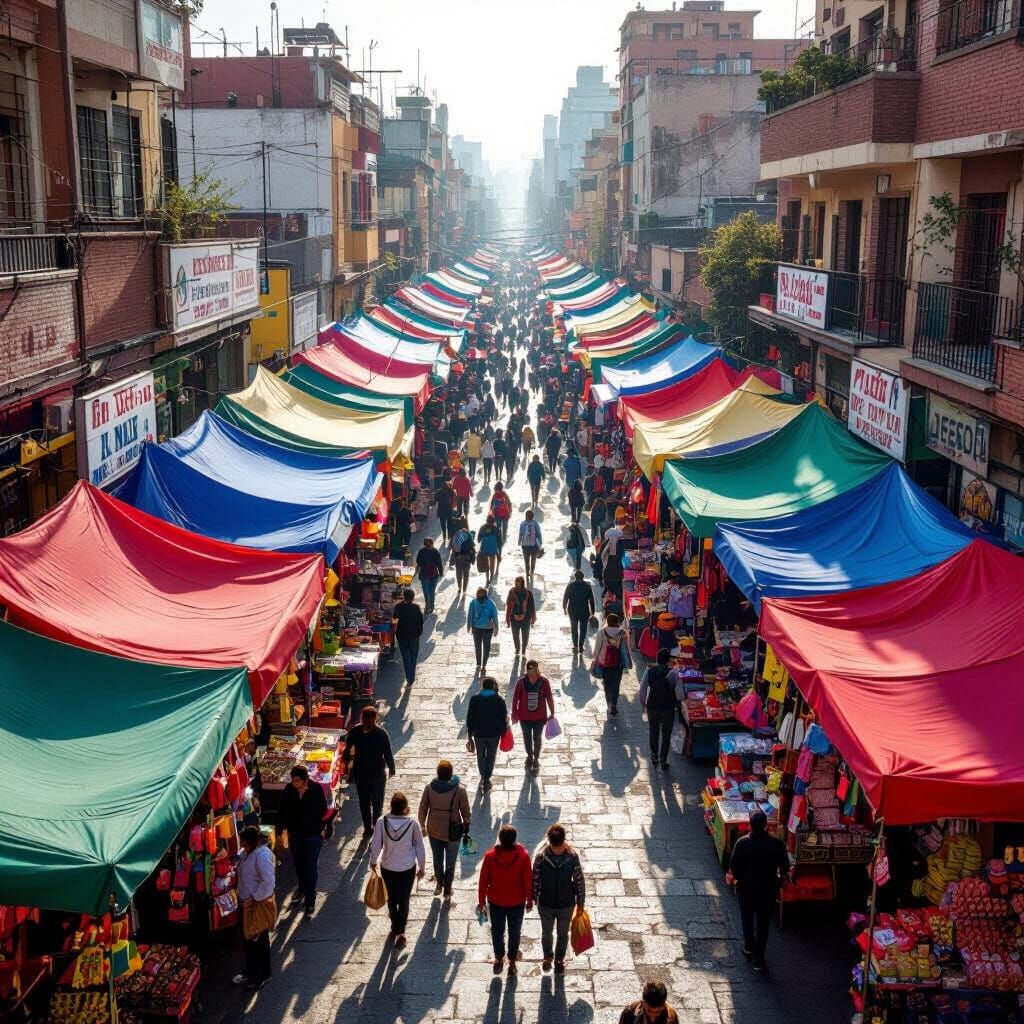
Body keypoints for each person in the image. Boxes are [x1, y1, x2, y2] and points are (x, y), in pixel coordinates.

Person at [728, 810, 790, 973]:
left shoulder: (742, 843)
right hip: (767, 890)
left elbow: (734, 866)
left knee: (746, 918)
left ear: (750, 824)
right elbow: (785, 865)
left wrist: (739, 879)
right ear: (766, 825)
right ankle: (758, 959)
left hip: (746, 889)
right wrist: (781, 881)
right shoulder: (776, 843)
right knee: (763, 924)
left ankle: (749, 946)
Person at [369, 792, 426, 947]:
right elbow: (420, 846)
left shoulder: (382, 821)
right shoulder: (413, 823)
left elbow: (376, 845)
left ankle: (395, 925)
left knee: (392, 898)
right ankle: (401, 932)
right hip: (407, 867)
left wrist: (373, 861)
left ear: (391, 807)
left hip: (388, 866)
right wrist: (422, 866)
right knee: (404, 899)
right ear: (405, 807)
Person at [477, 824, 532, 975]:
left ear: (500, 839)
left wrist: (481, 902)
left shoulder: (489, 857)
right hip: (517, 902)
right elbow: (527, 881)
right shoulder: (523, 856)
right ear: (515, 840)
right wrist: (529, 900)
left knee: (497, 931)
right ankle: (512, 960)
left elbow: (483, 881)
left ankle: (498, 958)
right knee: (514, 932)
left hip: (496, 902)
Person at [532, 823, 585, 974]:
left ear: (548, 840)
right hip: (562, 903)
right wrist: (580, 903)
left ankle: (552, 958)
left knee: (550, 933)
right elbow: (579, 880)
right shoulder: (571, 856)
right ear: (563, 840)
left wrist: (534, 897)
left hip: (552, 903)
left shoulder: (541, 857)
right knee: (559, 933)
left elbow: (535, 879)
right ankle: (555, 959)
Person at [275, 765, 328, 914]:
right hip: (295, 835)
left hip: (313, 836)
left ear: (305, 780)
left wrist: (318, 825)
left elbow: (323, 809)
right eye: (292, 780)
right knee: (298, 865)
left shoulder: (316, 789)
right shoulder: (289, 790)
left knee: (311, 867)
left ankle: (310, 901)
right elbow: (282, 811)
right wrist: (280, 830)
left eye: (297, 780)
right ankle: (302, 887)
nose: (294, 783)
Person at [418, 760, 471, 900]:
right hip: (453, 830)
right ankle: (447, 890)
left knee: (437, 857)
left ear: (438, 773)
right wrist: (466, 822)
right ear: (450, 774)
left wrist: (422, 825)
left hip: (434, 828)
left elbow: (423, 807)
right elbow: (466, 811)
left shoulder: (429, 788)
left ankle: (439, 884)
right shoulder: (459, 790)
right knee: (451, 861)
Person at [342, 706, 396, 837]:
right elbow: (347, 750)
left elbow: (387, 753)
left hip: (371, 773)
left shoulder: (361, 732)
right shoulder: (375, 733)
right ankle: (371, 827)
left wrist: (391, 768)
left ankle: (372, 827)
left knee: (370, 802)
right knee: (369, 802)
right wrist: (391, 769)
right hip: (368, 773)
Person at [234, 825, 275, 990]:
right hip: (247, 905)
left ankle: (264, 974)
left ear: (250, 842)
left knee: (260, 941)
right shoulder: (246, 854)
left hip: (257, 906)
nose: (241, 844)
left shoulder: (262, 856)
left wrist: (254, 898)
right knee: (248, 940)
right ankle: (250, 971)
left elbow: (269, 882)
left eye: (243, 841)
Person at [510, 659, 555, 771]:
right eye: (529, 668)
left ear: (537, 668)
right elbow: (515, 699)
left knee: (537, 737)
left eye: (533, 668)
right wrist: (514, 714)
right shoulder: (521, 682)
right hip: (524, 717)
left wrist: (552, 712)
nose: (531, 670)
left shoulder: (544, 682)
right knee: (527, 737)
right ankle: (529, 755)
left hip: (539, 717)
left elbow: (549, 697)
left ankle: (536, 758)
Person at [466, 675, 509, 789]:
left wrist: (470, 735)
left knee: (480, 755)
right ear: (493, 686)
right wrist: (503, 731)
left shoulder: (475, 699)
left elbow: (470, 718)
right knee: (491, 755)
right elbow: (504, 717)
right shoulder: (499, 699)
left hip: (479, 734)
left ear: (483, 687)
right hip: (494, 734)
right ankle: (487, 778)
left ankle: (483, 774)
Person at [639, 649, 679, 770]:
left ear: (657, 659)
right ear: (668, 661)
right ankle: (663, 760)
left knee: (654, 731)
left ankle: (654, 755)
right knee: (666, 735)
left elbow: (643, 688)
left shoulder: (649, 670)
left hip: (653, 705)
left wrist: (643, 703)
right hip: (668, 708)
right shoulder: (674, 673)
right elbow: (680, 693)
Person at [592, 613, 631, 717]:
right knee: (616, 683)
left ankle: (609, 702)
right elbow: (626, 649)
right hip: (618, 664)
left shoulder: (601, 633)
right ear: (617, 622)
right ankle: (614, 703)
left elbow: (596, 649)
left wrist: (595, 659)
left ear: (607, 622)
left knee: (607, 684)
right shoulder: (623, 633)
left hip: (605, 663)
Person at [392, 588, 425, 685]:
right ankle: (411, 676)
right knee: (413, 657)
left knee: (406, 657)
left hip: (402, 635)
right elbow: (420, 621)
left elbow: (394, 617)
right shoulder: (416, 607)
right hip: (414, 636)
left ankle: (409, 677)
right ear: (413, 598)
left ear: (404, 597)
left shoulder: (398, 606)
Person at [467, 586, 499, 674]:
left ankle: (479, 664)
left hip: (477, 628)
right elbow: (495, 616)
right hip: (487, 629)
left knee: (478, 647)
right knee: (486, 647)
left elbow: (470, 614)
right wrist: (496, 627)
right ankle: (483, 665)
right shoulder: (490, 603)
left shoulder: (473, 602)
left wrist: (469, 626)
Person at [563, 570, 595, 654]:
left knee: (574, 627)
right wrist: (593, 611)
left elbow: (565, 597)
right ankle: (581, 646)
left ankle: (575, 646)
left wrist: (564, 607)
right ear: (583, 577)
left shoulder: (570, 586)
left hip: (572, 610)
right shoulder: (587, 586)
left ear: (575, 577)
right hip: (584, 610)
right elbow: (591, 599)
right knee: (583, 628)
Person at [505, 575, 537, 656]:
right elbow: (508, 603)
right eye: (516, 581)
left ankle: (523, 648)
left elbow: (532, 605)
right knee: (515, 634)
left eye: (519, 581)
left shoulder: (528, 593)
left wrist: (532, 617)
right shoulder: (511, 592)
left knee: (525, 634)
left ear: (522, 583)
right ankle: (517, 648)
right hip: (514, 617)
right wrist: (512, 615)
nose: (517, 583)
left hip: (525, 617)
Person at [414, 539, 443, 615]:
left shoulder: (421, 551)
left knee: (426, 592)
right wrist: (441, 573)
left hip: (424, 574)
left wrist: (415, 573)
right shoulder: (435, 551)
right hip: (433, 574)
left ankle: (428, 606)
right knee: (431, 591)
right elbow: (439, 563)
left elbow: (418, 564)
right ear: (432, 543)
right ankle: (432, 605)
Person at [450, 516, 475, 594]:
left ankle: (459, 587)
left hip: (458, 557)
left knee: (459, 573)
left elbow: (453, 546)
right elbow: (472, 545)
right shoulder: (467, 533)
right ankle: (464, 590)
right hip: (467, 556)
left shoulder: (456, 533)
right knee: (466, 574)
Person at [518, 508, 543, 581]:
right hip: (534, 545)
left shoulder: (523, 523)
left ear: (526, 516)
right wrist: (540, 543)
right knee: (533, 559)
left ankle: (527, 572)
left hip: (525, 545)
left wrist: (519, 542)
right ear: (533, 516)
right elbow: (538, 533)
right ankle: (532, 571)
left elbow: (521, 533)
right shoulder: (535, 523)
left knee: (526, 560)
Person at [476, 515, 503, 581]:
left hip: (484, 549)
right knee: (492, 563)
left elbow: (478, 539)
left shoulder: (482, 528)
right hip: (493, 549)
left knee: (486, 564)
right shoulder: (496, 528)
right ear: (493, 522)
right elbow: (499, 541)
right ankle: (491, 575)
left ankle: (487, 578)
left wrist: (483, 536)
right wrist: (499, 552)